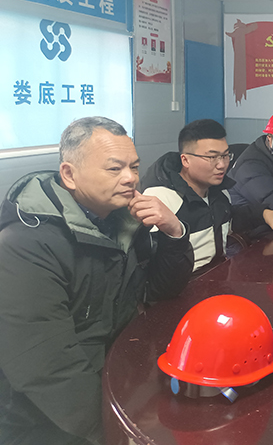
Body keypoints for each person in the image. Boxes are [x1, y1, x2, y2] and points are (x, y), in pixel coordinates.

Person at [0, 117, 193, 445]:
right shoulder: (25, 244)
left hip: (120, 384)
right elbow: (48, 367)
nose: (131, 178)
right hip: (47, 420)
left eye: (134, 166)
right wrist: (114, 432)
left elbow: (160, 291)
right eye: (114, 168)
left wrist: (174, 232)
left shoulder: (122, 221)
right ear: (69, 175)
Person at [140, 119, 273, 273]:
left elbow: (226, 219)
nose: (222, 165)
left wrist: (263, 213)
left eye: (225, 155)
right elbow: (147, 267)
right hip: (183, 283)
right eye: (212, 157)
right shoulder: (160, 199)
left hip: (218, 275)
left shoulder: (220, 192)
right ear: (185, 160)